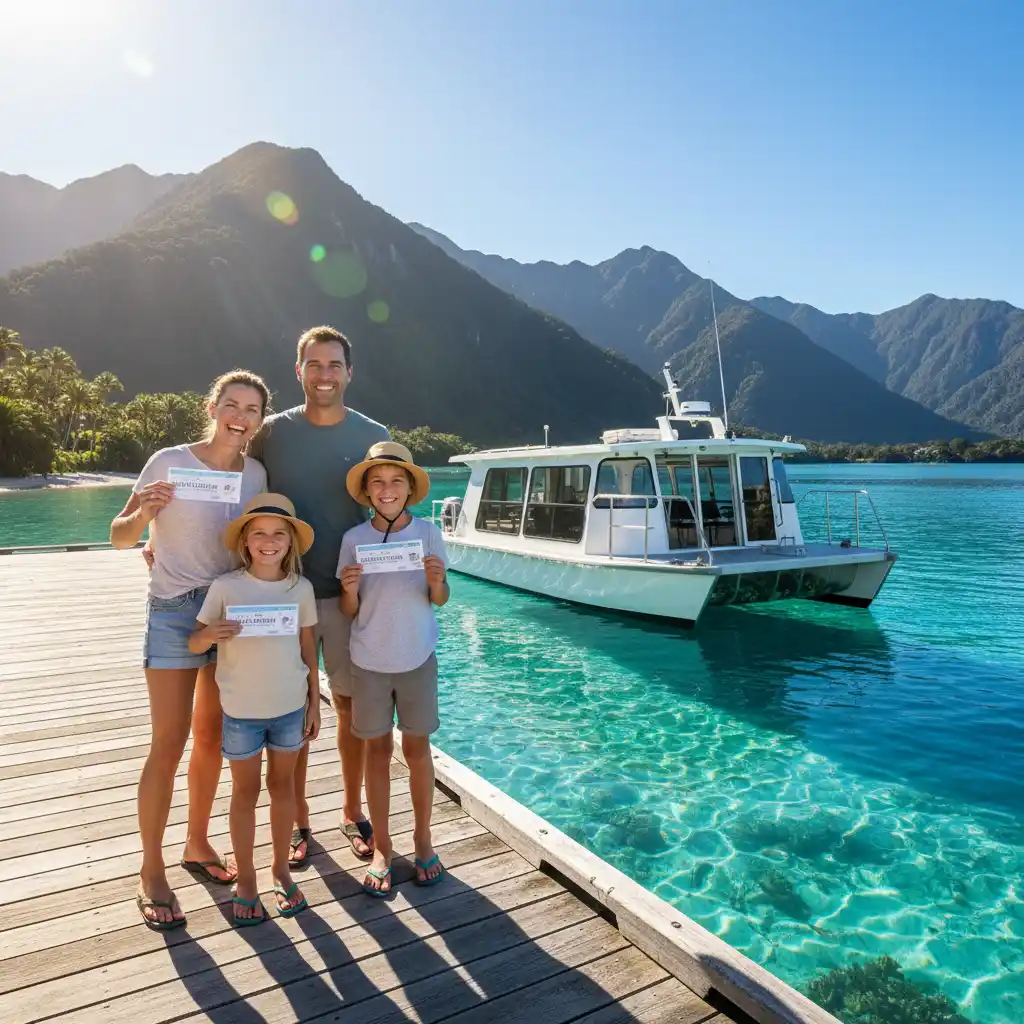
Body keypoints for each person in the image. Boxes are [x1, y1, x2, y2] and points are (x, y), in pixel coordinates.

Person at [110, 369, 270, 930]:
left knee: (211, 738)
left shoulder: (256, 474)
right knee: (169, 742)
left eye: (252, 409)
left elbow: (255, 543)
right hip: (176, 610)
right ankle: (150, 867)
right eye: (232, 404)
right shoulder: (168, 460)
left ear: (258, 420)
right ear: (213, 406)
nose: (241, 416)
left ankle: (197, 843)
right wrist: (145, 514)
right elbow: (120, 536)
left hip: (228, 611)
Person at [248, 326, 388, 867]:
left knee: (350, 709)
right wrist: (158, 542)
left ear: (349, 373)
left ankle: (352, 811)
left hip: (352, 597)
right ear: (298, 369)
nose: (324, 374)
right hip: (282, 596)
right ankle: (298, 819)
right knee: (291, 712)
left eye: (334, 365)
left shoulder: (372, 435)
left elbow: (387, 509)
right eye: (314, 364)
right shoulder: (271, 435)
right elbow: (238, 492)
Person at [190, 493, 320, 925]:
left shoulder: (300, 588)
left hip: (289, 709)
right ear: (245, 541)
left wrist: (314, 701)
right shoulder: (226, 587)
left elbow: (308, 649)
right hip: (240, 712)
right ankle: (245, 878)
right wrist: (211, 633)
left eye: (278, 534)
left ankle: (280, 869)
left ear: (291, 542)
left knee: (282, 788)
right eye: (259, 533)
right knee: (244, 794)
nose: (269, 541)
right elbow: (194, 642)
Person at [337, 442, 449, 896]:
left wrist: (438, 581)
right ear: (366, 492)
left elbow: (439, 599)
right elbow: (350, 609)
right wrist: (348, 588)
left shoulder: (428, 533)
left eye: (396, 482)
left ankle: (423, 840)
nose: (387, 490)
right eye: (377, 482)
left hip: (418, 657)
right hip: (369, 661)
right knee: (377, 754)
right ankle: (382, 846)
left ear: (410, 490)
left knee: (418, 751)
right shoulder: (353, 540)